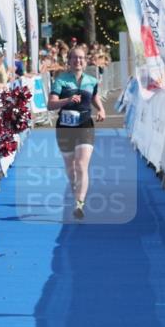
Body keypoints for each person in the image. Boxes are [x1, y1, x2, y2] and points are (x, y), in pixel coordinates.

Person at [48, 45, 105, 219]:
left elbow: (94, 97)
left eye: (81, 58)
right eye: (74, 58)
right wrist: (67, 100)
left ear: (85, 61)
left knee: (81, 165)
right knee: (70, 167)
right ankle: (74, 186)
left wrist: (101, 109)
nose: (78, 61)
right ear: (69, 61)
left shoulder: (92, 80)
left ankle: (79, 203)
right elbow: (51, 105)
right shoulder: (61, 80)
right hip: (65, 128)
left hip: (85, 125)